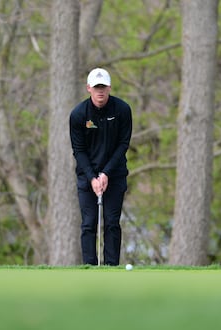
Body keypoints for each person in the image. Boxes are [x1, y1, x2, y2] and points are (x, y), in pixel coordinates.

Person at [69, 68, 132, 265]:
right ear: (89, 88)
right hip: (87, 176)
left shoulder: (122, 110)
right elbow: (78, 150)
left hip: (115, 174)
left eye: (103, 86)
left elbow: (123, 144)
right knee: (88, 224)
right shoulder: (79, 114)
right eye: (96, 87)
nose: (100, 91)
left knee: (112, 224)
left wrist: (106, 173)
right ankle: (89, 266)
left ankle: (111, 267)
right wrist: (92, 177)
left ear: (109, 87)